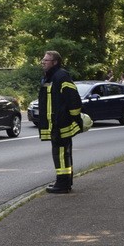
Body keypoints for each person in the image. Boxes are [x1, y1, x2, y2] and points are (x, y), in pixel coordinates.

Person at [36, 50, 82, 194]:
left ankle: (62, 184)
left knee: (61, 154)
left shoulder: (61, 76)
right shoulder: (50, 77)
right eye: (43, 59)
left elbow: (74, 100)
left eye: (46, 60)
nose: (43, 62)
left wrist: (73, 118)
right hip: (55, 124)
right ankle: (64, 182)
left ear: (55, 62)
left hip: (61, 124)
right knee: (61, 153)